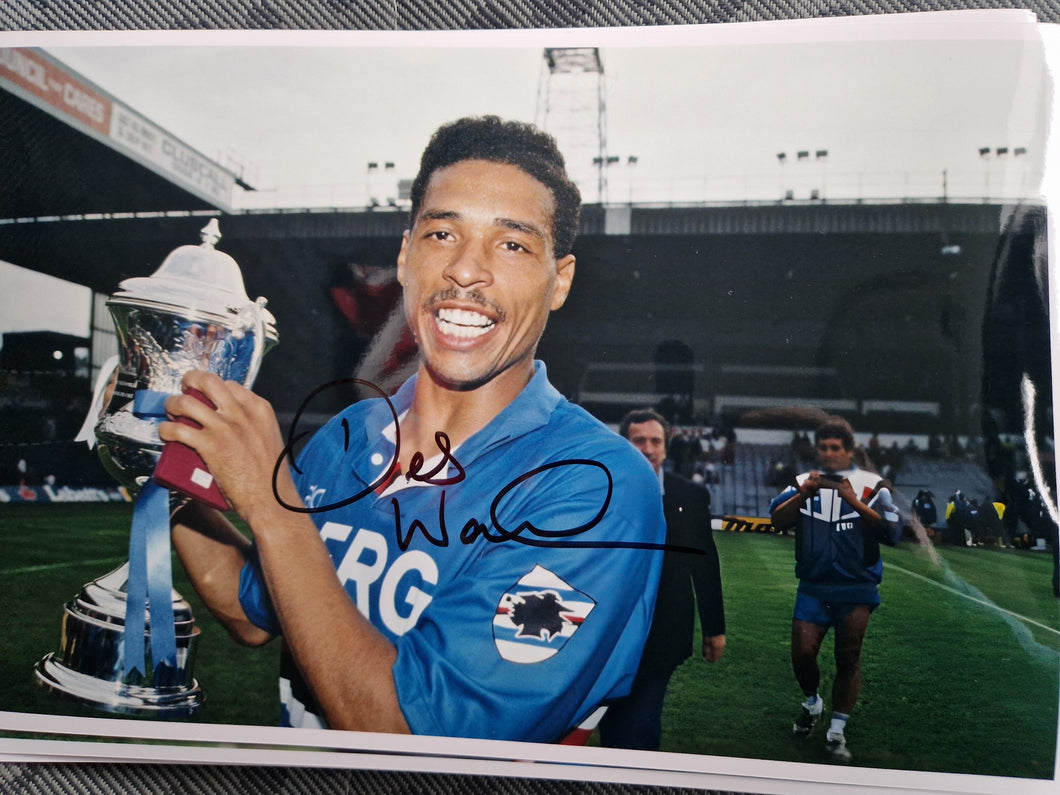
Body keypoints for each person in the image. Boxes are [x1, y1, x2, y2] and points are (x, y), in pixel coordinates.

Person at [160, 116, 667, 743]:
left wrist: (270, 507)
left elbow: (411, 733)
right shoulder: (347, 437)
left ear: (557, 280)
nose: (466, 271)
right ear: (405, 256)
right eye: (442, 233)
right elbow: (250, 611)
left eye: (512, 244)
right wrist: (158, 457)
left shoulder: (598, 488)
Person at [769, 417, 900, 764]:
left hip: (857, 588)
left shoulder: (874, 485)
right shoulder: (802, 481)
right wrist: (803, 494)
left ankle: (836, 732)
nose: (828, 453)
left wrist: (854, 501)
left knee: (848, 657)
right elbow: (776, 520)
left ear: (849, 451)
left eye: (835, 448)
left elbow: (893, 533)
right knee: (803, 654)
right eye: (823, 447)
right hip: (813, 587)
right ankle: (813, 702)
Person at [598, 409, 725, 751]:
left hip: (664, 629)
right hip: (607, 628)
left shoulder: (690, 495)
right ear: (623, 444)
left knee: (641, 719)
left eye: (656, 441)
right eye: (639, 440)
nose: (648, 448)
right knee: (611, 719)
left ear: (666, 448)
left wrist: (714, 629)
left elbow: (705, 562)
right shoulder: (598, 489)